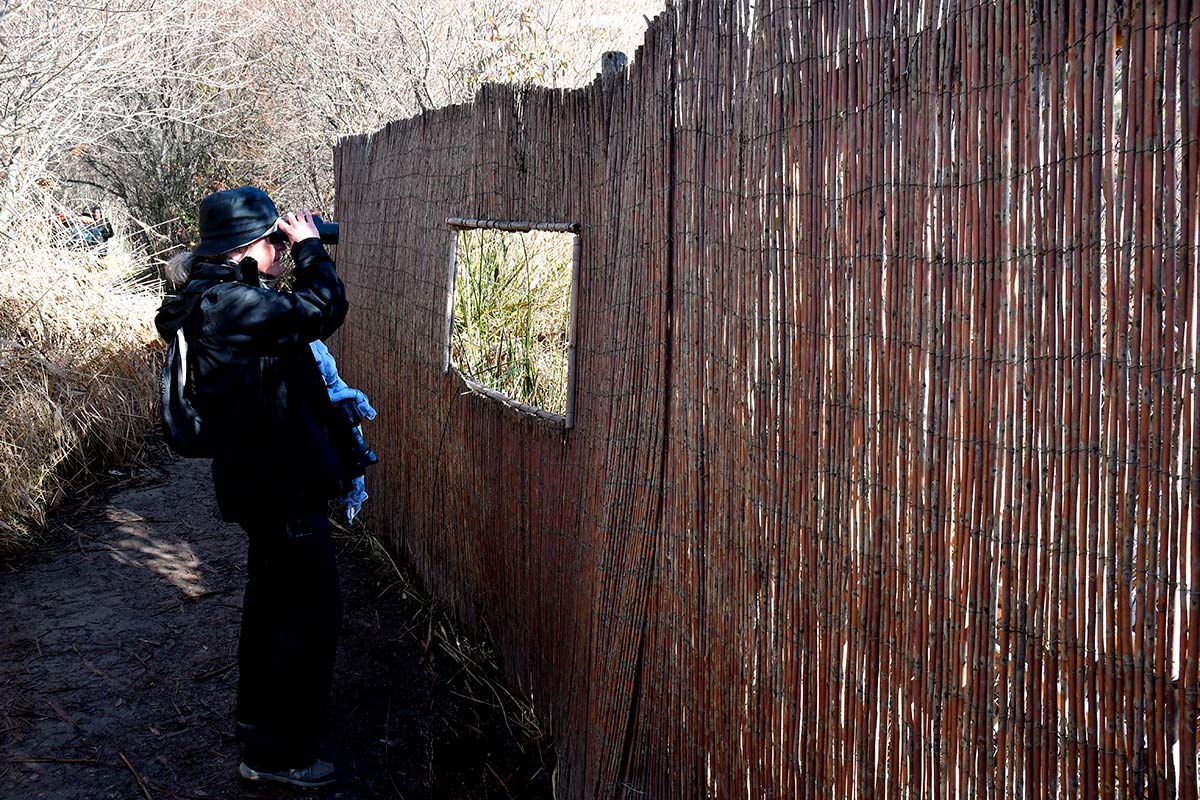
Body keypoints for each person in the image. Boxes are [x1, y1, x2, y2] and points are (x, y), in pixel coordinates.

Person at [154, 186, 348, 788]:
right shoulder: (230, 305)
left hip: (261, 478)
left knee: (272, 604)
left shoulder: (214, 297)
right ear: (246, 249)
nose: (279, 252)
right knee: (309, 616)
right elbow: (322, 310)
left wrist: (297, 245)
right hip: (279, 481)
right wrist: (313, 250)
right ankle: (277, 756)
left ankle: (257, 721)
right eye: (274, 243)